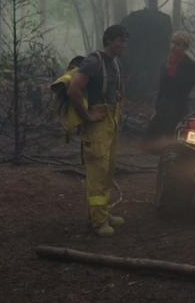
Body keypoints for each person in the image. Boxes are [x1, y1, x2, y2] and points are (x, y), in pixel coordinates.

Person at [67, 25, 129, 237]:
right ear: (110, 40)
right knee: (97, 170)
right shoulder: (94, 61)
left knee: (108, 170)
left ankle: (104, 212)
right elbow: (74, 88)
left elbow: (120, 90)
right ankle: (98, 221)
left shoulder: (115, 63)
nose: (123, 45)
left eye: (125, 40)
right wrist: (87, 116)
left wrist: (120, 110)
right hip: (97, 124)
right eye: (120, 40)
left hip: (111, 121)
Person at [146, 31, 195, 146]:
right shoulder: (166, 63)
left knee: (172, 142)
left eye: (178, 44)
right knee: (149, 141)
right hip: (162, 107)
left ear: (185, 47)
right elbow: (162, 88)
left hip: (178, 109)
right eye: (173, 43)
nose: (174, 46)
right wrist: (156, 107)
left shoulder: (191, 66)